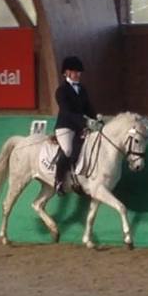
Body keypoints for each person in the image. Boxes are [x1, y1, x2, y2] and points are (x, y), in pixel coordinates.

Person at [53, 55, 101, 195]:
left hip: (80, 127)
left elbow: (88, 107)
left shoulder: (82, 89)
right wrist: (85, 122)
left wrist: (97, 119)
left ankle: (80, 179)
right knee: (68, 150)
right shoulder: (61, 91)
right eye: (76, 72)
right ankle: (58, 180)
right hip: (65, 127)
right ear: (67, 72)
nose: (79, 75)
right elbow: (66, 112)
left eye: (79, 72)